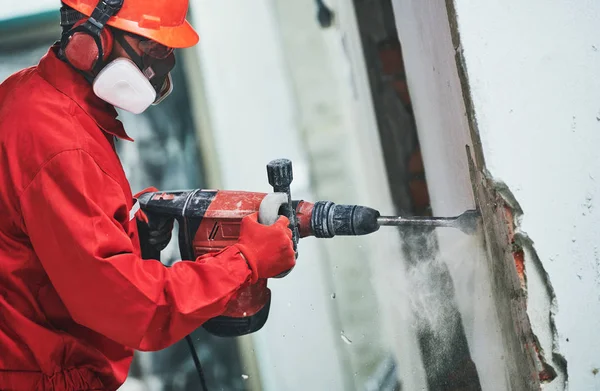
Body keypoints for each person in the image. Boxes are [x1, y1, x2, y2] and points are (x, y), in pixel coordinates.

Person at [0, 0, 296, 390]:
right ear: (90, 38)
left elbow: (42, 248)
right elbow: (129, 308)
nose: (161, 65)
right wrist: (244, 261)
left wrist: (130, 230)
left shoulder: (31, 95)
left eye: (167, 49)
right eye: (152, 47)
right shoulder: (60, 144)